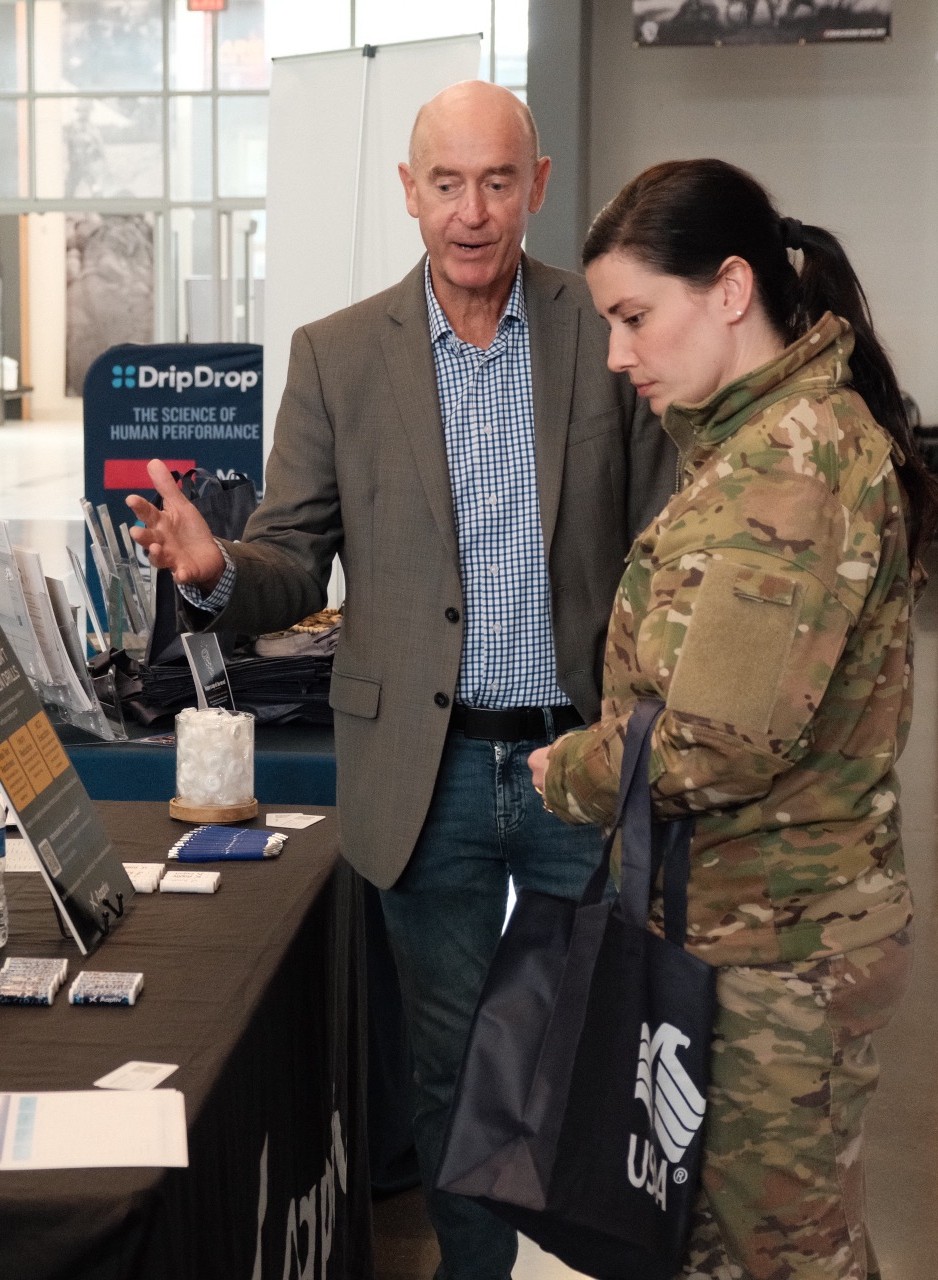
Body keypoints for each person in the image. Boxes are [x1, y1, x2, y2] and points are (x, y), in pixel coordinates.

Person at [127, 80, 674, 1280]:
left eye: (496, 181)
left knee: (600, 1054)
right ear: (408, 192)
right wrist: (219, 570)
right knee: (453, 1065)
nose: (471, 212)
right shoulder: (336, 355)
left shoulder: (604, 333)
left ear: (535, 186)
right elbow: (289, 556)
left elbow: (660, 540)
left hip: (578, 758)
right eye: (446, 183)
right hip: (428, 778)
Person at [529, 157, 938, 1280]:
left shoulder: (786, 473)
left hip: (775, 959)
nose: (617, 355)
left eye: (633, 317)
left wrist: (570, 772)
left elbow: (716, 740)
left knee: (781, 1255)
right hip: (746, 935)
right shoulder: (755, 445)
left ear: (729, 289)